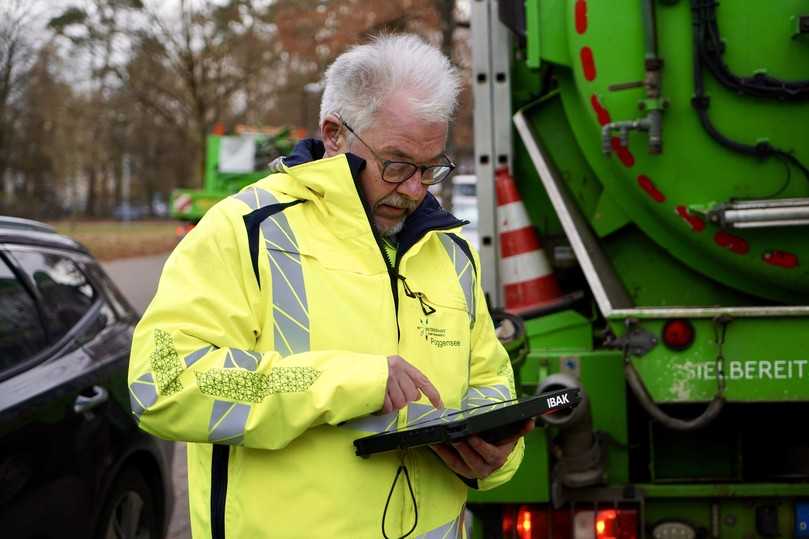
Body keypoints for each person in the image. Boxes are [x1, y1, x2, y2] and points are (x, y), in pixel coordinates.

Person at [128, 33, 530, 538]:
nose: (413, 189)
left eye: (431, 168)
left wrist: (496, 451)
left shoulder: (451, 252)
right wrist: (347, 383)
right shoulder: (245, 230)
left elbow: (491, 384)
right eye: (397, 164)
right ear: (334, 133)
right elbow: (162, 382)